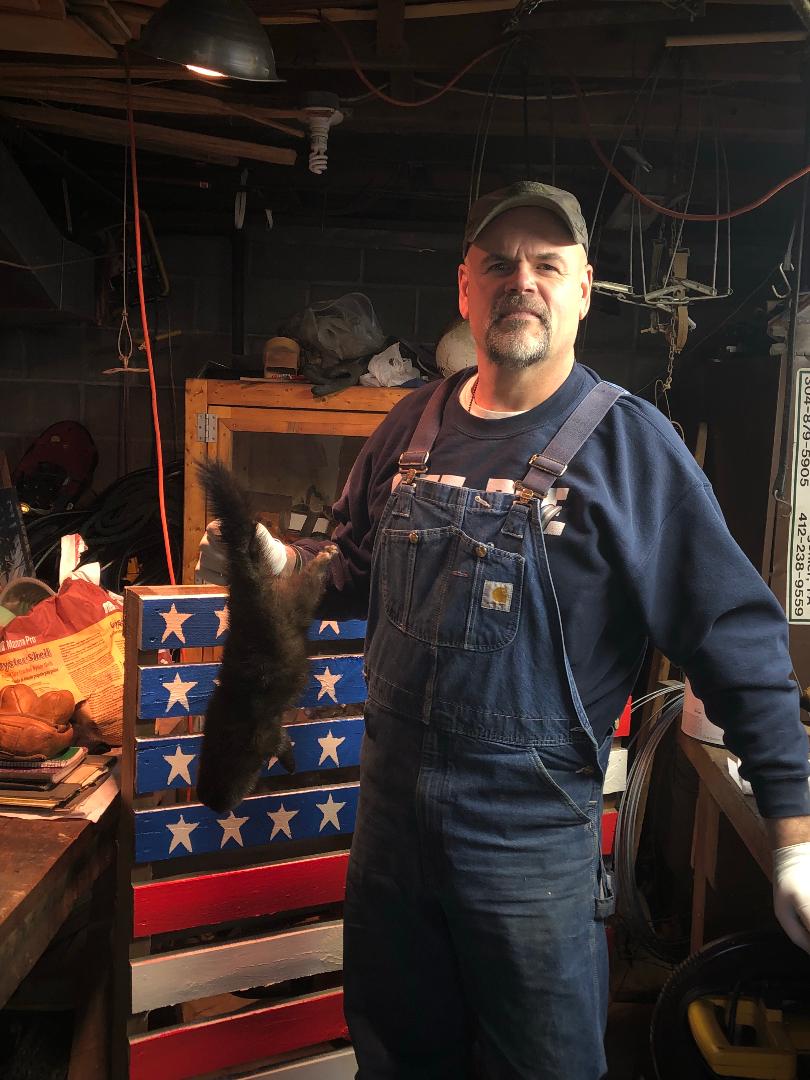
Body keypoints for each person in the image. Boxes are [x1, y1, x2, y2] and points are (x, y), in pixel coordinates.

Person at [198, 181, 810, 1080]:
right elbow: (354, 571)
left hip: (529, 848)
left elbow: (735, 639)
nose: (521, 280)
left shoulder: (631, 448)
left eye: (547, 265)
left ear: (583, 290)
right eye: (498, 264)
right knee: (398, 1062)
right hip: (389, 837)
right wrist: (279, 562)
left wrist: (794, 837)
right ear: (465, 288)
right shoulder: (410, 424)